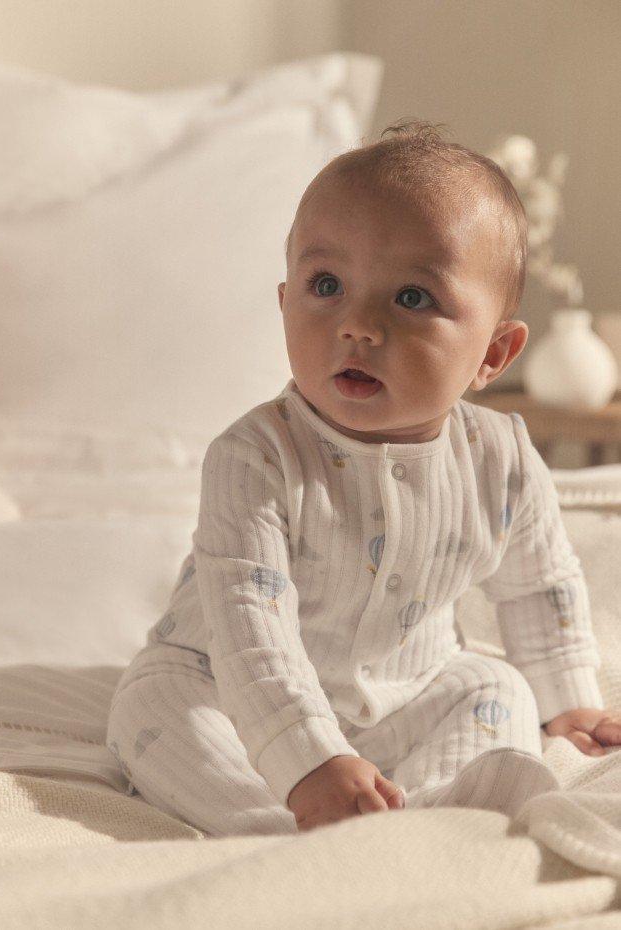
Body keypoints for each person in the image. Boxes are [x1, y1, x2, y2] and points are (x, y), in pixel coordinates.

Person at [106, 119, 619, 838]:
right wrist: (307, 759)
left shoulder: (501, 456)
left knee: (496, 685)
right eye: (326, 285)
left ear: (494, 354)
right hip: (226, 683)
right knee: (153, 710)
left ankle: (423, 807)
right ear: (285, 304)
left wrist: (567, 699)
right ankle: (277, 829)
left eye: (412, 298)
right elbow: (253, 634)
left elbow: (539, 583)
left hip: (407, 694)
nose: (357, 324)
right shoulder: (254, 458)